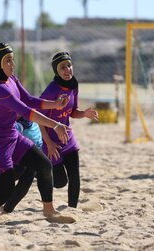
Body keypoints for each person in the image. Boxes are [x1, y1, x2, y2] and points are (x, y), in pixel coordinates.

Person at [0, 43, 70, 224]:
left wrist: (55, 104)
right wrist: (56, 124)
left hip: (12, 136)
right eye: (8, 61)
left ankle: (49, 211)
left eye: (12, 60)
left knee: (43, 164)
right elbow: (27, 111)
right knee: (6, 190)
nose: (13, 64)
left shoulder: (11, 80)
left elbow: (29, 100)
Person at [38, 51, 99, 208]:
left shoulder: (74, 85)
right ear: (57, 71)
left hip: (68, 139)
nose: (67, 70)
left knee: (75, 177)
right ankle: (41, 174)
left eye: (69, 65)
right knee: (60, 182)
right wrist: (49, 143)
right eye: (62, 67)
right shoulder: (51, 90)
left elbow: (73, 112)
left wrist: (84, 114)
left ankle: (73, 209)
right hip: (51, 142)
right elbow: (38, 119)